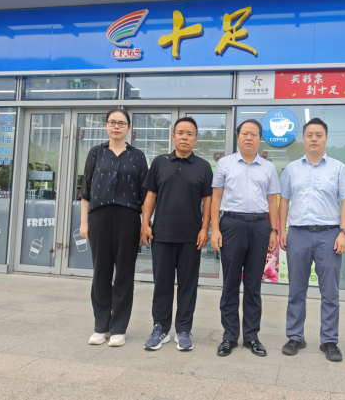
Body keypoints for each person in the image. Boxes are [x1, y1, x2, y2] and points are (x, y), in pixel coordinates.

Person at [279, 118, 345, 362]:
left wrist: (344, 232)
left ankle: (329, 341)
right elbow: (284, 201)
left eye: (318, 135)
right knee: (296, 290)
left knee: (330, 292)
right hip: (298, 233)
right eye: (309, 134)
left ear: (326, 139)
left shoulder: (338, 168)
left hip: (329, 234)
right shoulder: (292, 169)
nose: (314, 138)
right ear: (303, 139)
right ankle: (295, 337)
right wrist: (282, 230)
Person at [141, 117, 213, 352]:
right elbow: (151, 196)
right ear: (173, 137)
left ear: (196, 139)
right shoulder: (159, 162)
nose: (184, 137)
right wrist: (145, 224)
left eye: (189, 134)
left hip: (191, 237)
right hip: (162, 234)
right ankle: (160, 328)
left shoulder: (203, 166)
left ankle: (183, 329)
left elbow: (208, 200)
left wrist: (204, 228)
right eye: (180, 133)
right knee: (161, 284)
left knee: (187, 286)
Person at [210, 119, 280, 357]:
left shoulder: (268, 167)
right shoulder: (225, 164)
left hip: (260, 226)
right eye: (245, 133)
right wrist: (215, 229)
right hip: (231, 224)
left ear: (260, 139)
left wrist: (273, 231)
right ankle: (229, 336)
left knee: (253, 284)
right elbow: (216, 198)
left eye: (254, 134)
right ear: (238, 136)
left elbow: (272, 201)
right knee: (230, 282)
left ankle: (251, 336)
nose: (249, 138)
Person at [80, 108, 148, 347]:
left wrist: (145, 224)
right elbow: (86, 191)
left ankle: (119, 328)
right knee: (101, 272)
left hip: (128, 219)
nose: (116, 126)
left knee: (124, 274)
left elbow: (145, 195)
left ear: (129, 128)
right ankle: (101, 326)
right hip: (98, 218)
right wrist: (84, 222)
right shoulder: (95, 153)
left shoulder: (138, 156)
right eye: (112, 122)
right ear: (106, 126)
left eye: (121, 123)